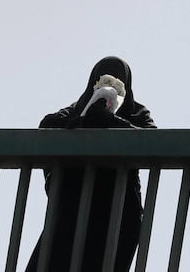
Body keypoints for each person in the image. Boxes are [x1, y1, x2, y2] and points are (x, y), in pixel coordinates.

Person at [26, 56, 156, 272]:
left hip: (119, 214)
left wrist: (112, 122)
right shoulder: (77, 109)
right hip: (72, 211)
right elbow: (47, 126)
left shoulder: (136, 112)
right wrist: (83, 121)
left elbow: (154, 142)